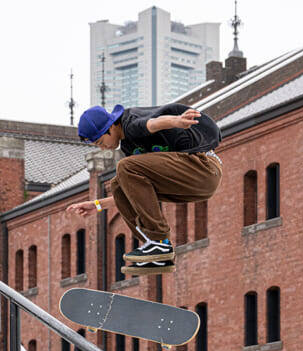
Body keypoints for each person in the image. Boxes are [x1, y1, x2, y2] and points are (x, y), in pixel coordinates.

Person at [66, 103, 222, 276]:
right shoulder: (128, 147)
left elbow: (153, 123)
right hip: (190, 181)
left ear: (110, 127)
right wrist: (98, 205)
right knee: (119, 184)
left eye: (100, 142)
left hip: (203, 168)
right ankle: (157, 252)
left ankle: (159, 241)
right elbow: (135, 191)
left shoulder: (130, 123)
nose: (102, 148)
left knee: (125, 166)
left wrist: (176, 121)